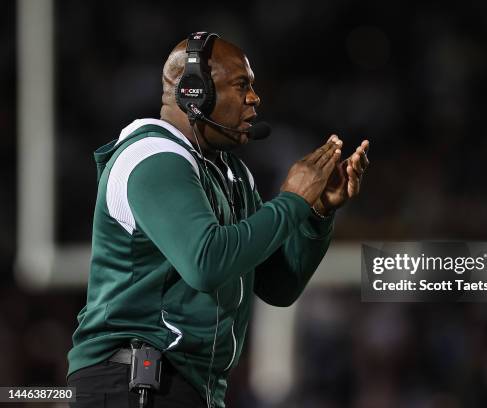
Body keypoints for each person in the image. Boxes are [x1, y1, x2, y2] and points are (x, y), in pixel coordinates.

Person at [66, 31, 369, 407]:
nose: (255, 99)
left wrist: (316, 211)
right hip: (131, 383)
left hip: (185, 387)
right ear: (194, 92)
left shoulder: (231, 175)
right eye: (242, 85)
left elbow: (279, 285)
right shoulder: (151, 156)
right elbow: (206, 263)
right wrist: (292, 201)